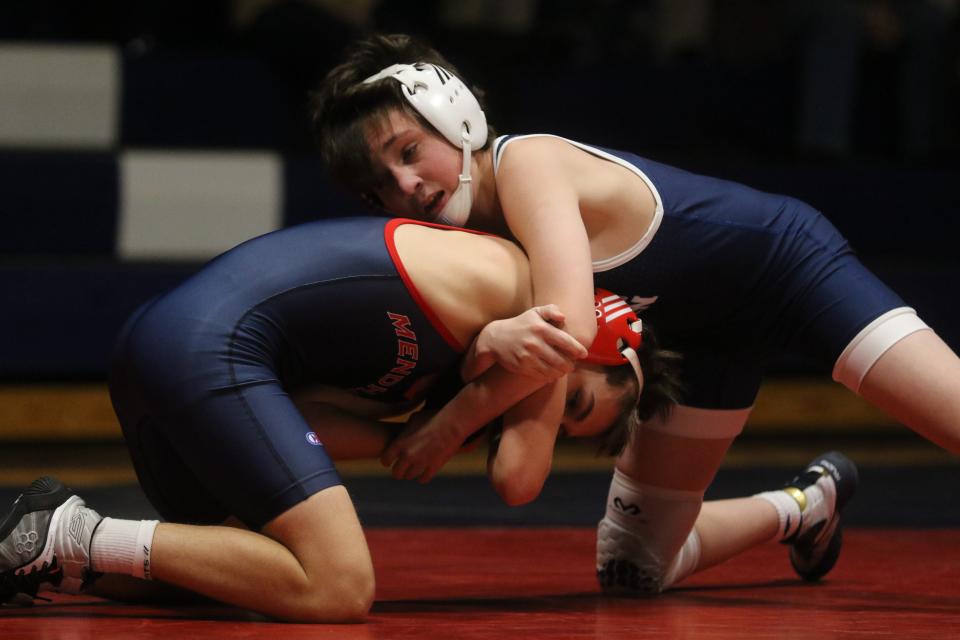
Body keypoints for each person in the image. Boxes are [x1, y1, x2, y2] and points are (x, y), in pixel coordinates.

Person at [309, 33, 960, 596]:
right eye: (380, 187)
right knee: (635, 566)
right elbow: (519, 464)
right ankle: (805, 504)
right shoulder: (470, 250)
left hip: (789, 272)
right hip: (699, 345)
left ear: (456, 115)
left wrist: (448, 427)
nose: (407, 188)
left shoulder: (527, 164)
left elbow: (570, 329)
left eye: (407, 152)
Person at [0, 216, 676, 622]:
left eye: (562, 426)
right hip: (206, 343)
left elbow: (292, 421)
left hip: (167, 354)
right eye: (573, 402)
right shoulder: (514, 277)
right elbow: (520, 479)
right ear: (598, 340)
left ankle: (57, 556)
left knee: (236, 575)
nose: (544, 419)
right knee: (338, 586)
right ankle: (69, 530)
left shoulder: (453, 367)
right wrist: (551, 354)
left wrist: (419, 430)